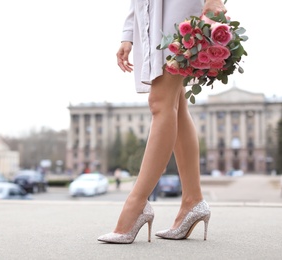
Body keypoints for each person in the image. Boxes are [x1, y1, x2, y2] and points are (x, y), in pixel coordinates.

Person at [97, 0, 227, 244]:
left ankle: (135, 206)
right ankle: (193, 200)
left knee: (160, 102)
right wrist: (128, 33)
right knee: (175, 105)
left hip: (179, 10)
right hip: (150, 16)